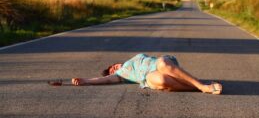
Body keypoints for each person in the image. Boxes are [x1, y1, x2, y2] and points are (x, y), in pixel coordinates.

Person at [72, 53, 222, 94]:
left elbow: (159, 63)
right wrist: (86, 80)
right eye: (111, 71)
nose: (114, 68)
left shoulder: (133, 59)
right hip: (148, 77)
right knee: (162, 81)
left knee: (163, 64)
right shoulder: (121, 75)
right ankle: (198, 87)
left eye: (113, 66)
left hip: (158, 63)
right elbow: (103, 80)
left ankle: (203, 86)